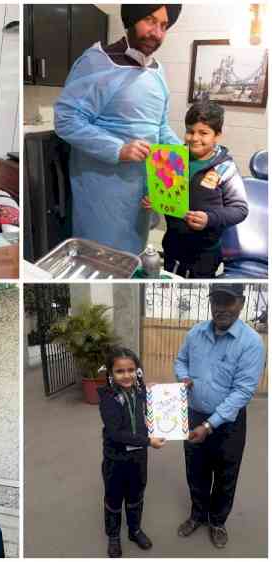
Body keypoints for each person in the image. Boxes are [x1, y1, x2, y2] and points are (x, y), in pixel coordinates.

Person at [54, 5, 183, 255]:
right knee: (101, 258)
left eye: (164, 26)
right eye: (149, 20)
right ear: (132, 19)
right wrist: (118, 149)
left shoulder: (157, 71)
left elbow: (160, 127)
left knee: (133, 255)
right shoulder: (97, 62)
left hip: (143, 193)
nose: (156, 32)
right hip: (104, 193)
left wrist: (183, 162)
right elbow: (66, 118)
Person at [174, 284, 265, 548]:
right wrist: (184, 377)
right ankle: (197, 514)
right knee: (195, 469)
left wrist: (210, 424)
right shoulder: (195, 333)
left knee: (226, 475)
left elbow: (243, 392)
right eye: (216, 300)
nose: (221, 308)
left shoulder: (251, 343)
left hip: (228, 424)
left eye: (228, 301)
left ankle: (217, 522)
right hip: (192, 414)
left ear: (241, 302)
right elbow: (180, 361)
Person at [141, 102, 248, 277]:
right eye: (190, 131)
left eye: (203, 133)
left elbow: (240, 209)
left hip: (204, 254)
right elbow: (166, 193)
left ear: (217, 135)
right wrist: (155, 200)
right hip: (172, 245)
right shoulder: (172, 159)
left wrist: (209, 218)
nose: (194, 138)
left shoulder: (225, 168)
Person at [98, 347, 166, 558]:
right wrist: (148, 441)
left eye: (130, 370)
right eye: (120, 371)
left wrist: (166, 391)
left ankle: (135, 531)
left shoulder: (140, 392)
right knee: (114, 498)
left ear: (137, 371)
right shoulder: (108, 399)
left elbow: (156, 400)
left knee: (136, 495)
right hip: (115, 460)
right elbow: (116, 433)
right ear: (110, 373)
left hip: (138, 459)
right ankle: (114, 536)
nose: (126, 375)